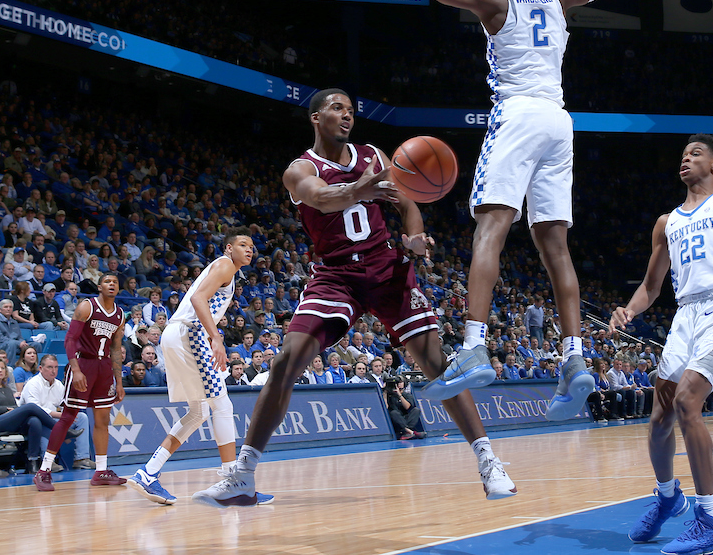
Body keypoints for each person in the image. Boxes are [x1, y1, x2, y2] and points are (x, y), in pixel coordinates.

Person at [295, 0, 704, 422]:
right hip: (560, 122)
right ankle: (575, 361)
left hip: (518, 116)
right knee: (555, 245)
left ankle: (474, 345)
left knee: (490, 229)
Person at [194, 90, 516, 506]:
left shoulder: (375, 156)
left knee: (438, 364)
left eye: (351, 110)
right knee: (285, 362)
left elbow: (407, 202)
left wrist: (415, 237)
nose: (347, 116)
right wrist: (362, 187)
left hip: (387, 269)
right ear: (315, 117)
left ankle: (488, 462)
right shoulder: (300, 168)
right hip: (335, 275)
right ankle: (242, 476)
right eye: (337, 108)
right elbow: (324, 198)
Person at [610, 135, 713, 554]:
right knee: (659, 417)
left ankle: (711, 520)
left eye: (696, 154)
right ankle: (667, 498)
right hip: (686, 314)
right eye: (683, 154)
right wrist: (628, 310)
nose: (686, 158)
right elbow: (650, 286)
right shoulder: (667, 222)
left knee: (686, 403)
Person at [126, 229, 265, 506]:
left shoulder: (228, 271)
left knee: (200, 410)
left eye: (252, 246)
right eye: (242, 244)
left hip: (178, 334)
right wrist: (216, 338)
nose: (249, 250)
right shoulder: (225, 264)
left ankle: (147, 473)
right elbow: (198, 299)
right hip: (192, 333)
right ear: (229, 248)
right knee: (222, 407)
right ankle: (232, 481)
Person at [32, 273, 127, 490]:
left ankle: (101, 471)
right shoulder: (87, 307)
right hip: (83, 365)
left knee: (103, 420)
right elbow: (70, 339)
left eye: (115, 282)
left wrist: (119, 381)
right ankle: (44, 470)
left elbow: (115, 349)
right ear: (99, 287)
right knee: (68, 417)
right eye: (107, 282)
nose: (111, 284)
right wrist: (75, 370)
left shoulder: (120, 314)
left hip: (104, 369)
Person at [0, 358, 57, 474]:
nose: (0, 371)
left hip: (11, 421)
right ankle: (59, 429)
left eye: (2, 368)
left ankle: (32, 462)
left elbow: (14, 407)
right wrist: (10, 410)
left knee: (34, 421)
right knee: (30, 407)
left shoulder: (7, 388)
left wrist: (13, 411)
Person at [21, 354, 91, 470]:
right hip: (33, 422)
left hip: (56, 419)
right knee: (43, 421)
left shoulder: (58, 384)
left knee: (82, 417)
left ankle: (81, 459)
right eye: (49, 367)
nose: (53, 371)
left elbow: (64, 404)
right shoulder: (33, 384)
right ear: (40, 368)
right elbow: (34, 408)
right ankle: (48, 462)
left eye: (55, 367)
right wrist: (61, 415)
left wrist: (69, 414)